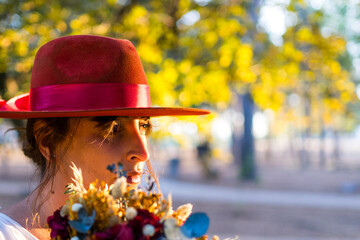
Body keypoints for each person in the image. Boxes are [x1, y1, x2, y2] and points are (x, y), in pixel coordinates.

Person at [0, 35, 210, 240]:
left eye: (144, 125)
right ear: (47, 139)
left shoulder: (152, 231)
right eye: (114, 129)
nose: (143, 153)